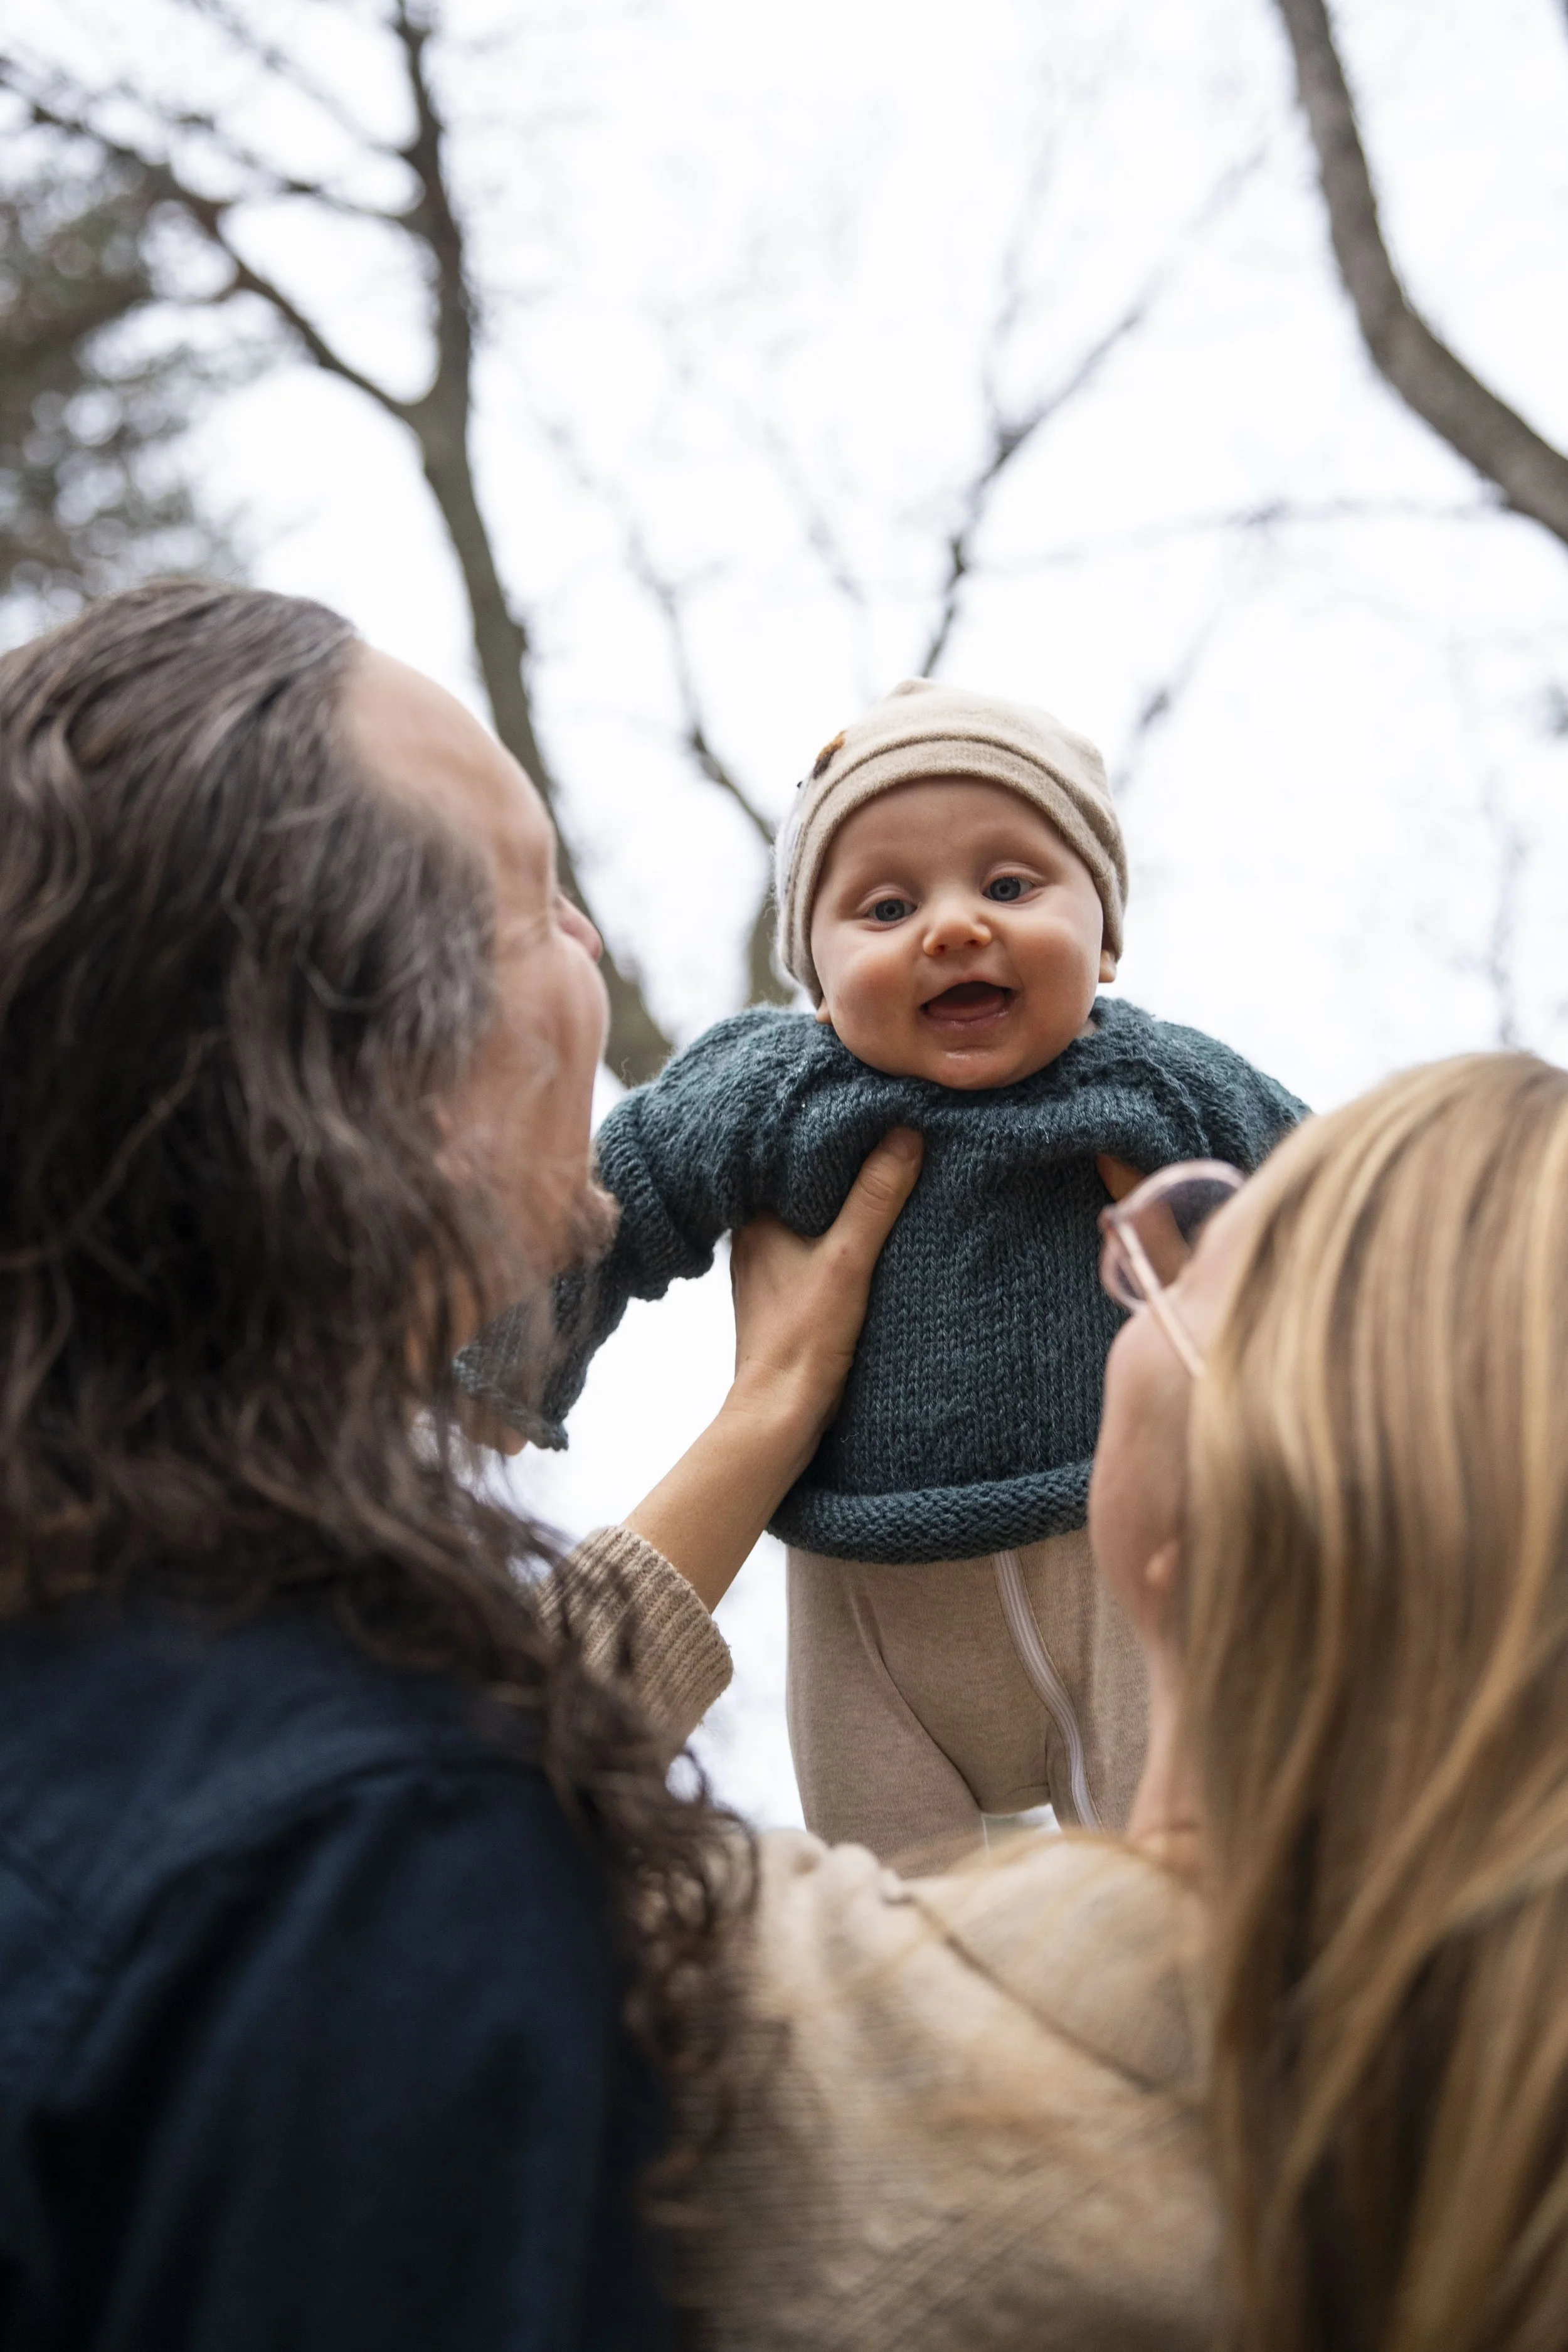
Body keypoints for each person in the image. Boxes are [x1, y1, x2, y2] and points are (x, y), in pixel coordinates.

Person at [0, 578, 917, 2351]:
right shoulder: (356, 1856)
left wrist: (767, 1411)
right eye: (540, 898)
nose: (588, 956)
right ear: (377, 1067)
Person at [460, 677, 1303, 1862]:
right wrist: (505, 1360)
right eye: (886, 904)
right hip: (871, 1591)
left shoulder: (1161, 1079)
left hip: (1117, 1558)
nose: (953, 926)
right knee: (891, 1900)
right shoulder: (777, 1087)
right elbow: (620, 1197)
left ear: (1106, 936)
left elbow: (1349, 1201)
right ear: (810, 968)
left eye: (1011, 885)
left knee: (1196, 1872)